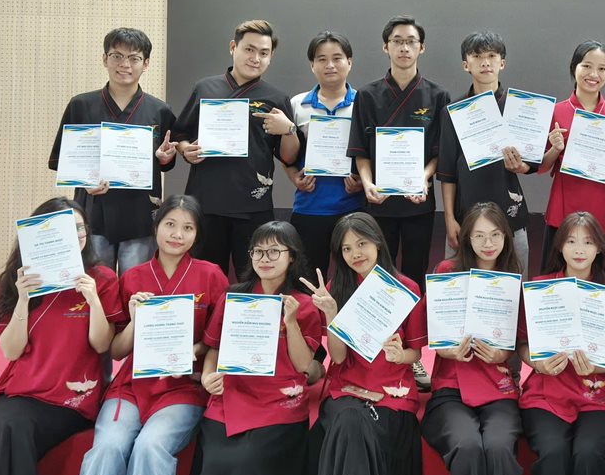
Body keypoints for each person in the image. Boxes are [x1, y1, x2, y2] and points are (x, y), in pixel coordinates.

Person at [73, 195, 228, 475]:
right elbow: (117, 351)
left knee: (151, 447)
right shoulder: (133, 277)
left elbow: (219, 338)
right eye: (170, 224)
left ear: (197, 234)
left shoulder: (212, 276)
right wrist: (134, 320)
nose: (177, 234)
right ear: (156, 226)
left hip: (182, 389)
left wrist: (195, 350)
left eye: (188, 228)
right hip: (131, 387)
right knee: (107, 449)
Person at [0, 198, 122, 475]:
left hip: (72, 398)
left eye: (80, 228)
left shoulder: (101, 278)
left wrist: (93, 299)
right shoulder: (23, 280)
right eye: (65, 229)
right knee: (13, 427)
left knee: (12, 434)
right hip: (22, 392)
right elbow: (11, 351)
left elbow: (103, 345)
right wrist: (23, 299)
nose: (76, 235)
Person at [185, 221, 321, 475]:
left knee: (249, 462)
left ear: (291, 256)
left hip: (279, 404)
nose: (264, 258)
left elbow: (304, 365)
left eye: (274, 251)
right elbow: (214, 348)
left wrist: (291, 322)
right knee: (216, 464)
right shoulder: (235, 296)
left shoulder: (304, 304)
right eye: (258, 251)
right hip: (231, 396)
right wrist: (208, 376)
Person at [304, 212, 427, 475]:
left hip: (392, 391)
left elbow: (415, 353)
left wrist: (400, 356)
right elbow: (338, 357)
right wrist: (332, 312)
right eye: (346, 249)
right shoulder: (337, 287)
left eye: (361, 244)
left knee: (354, 427)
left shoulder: (406, 288)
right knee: (351, 422)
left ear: (378, 243)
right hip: (347, 387)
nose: (355, 254)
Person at [517, 211, 605, 475]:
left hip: (597, 397)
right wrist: (537, 363)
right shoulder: (540, 289)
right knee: (552, 454)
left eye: (588, 242)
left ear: (600, 248)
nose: (579, 249)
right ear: (559, 246)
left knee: (589, 456)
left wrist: (598, 366)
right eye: (572, 241)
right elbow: (522, 345)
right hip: (546, 393)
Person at [423, 202, 524, 475]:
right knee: (466, 447)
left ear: (506, 237)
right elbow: (432, 332)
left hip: (498, 389)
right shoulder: (447, 271)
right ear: (466, 238)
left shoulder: (511, 278)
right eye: (479, 236)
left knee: (498, 448)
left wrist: (501, 355)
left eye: (495, 235)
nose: (488, 243)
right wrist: (448, 350)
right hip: (451, 390)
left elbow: (518, 340)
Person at [172, 20, 299, 278]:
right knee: (205, 279)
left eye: (263, 53)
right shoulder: (204, 88)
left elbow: (288, 157)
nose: (255, 58)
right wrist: (185, 149)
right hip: (206, 203)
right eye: (249, 49)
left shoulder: (276, 98)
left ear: (271, 57)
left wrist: (289, 130)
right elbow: (180, 134)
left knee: (254, 279)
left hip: (253, 206)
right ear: (233, 47)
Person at [48, 27, 177, 274]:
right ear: (104, 59)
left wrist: (164, 157)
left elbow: (166, 162)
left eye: (134, 58)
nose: (124, 64)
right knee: (96, 285)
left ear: (146, 63)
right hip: (93, 211)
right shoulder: (81, 105)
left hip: (139, 214)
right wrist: (85, 180)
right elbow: (62, 160)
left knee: (135, 286)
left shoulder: (159, 110)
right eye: (117, 56)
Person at [346, 15, 450, 290]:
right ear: (386, 47)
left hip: (418, 199)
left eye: (411, 42)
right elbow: (360, 150)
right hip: (378, 200)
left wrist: (423, 178)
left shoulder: (437, 96)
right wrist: (367, 184)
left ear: (421, 47)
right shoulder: (367, 95)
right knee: (378, 272)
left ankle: (413, 319)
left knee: (416, 269)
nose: (404, 48)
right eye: (397, 41)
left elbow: (439, 151)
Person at [438, 32, 536, 275]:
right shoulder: (454, 111)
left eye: (492, 56)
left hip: (510, 216)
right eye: (477, 56)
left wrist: (522, 166)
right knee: (458, 285)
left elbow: (533, 163)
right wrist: (449, 218)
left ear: (502, 63)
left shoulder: (519, 107)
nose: (485, 62)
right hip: (465, 216)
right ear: (466, 64)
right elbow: (447, 172)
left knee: (516, 287)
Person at [540, 41, 605, 275]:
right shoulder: (555, 111)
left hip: (604, 210)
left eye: (602, 68)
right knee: (557, 283)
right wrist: (555, 149)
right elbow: (540, 166)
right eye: (587, 66)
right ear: (574, 68)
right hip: (563, 210)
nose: (594, 74)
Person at [286, 31, 364, 274]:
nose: (330, 65)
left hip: (354, 207)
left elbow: (374, 153)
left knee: (353, 278)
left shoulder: (365, 102)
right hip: (309, 206)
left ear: (349, 62)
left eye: (337, 58)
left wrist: (363, 182)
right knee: (306, 279)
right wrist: (293, 177)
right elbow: (286, 155)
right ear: (312, 65)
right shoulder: (297, 105)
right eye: (321, 59)